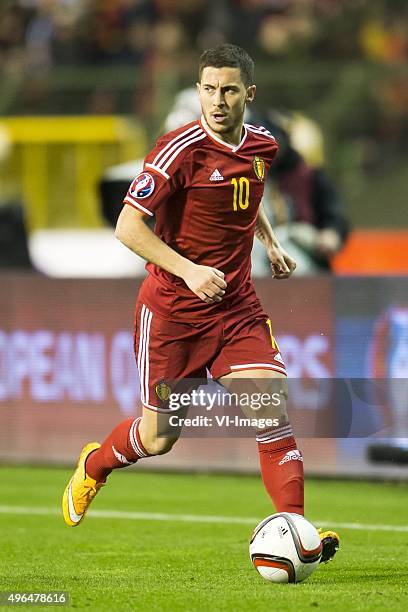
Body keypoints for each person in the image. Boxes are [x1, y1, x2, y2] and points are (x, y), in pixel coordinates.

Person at [62, 44, 339, 563]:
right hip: (172, 315)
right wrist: (188, 270)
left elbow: (247, 198)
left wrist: (270, 242)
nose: (217, 100)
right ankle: (95, 465)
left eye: (229, 90)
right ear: (198, 92)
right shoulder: (178, 152)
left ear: (248, 95)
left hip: (235, 308)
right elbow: (127, 226)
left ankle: (297, 528)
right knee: (159, 437)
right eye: (208, 89)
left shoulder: (263, 146)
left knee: (270, 404)